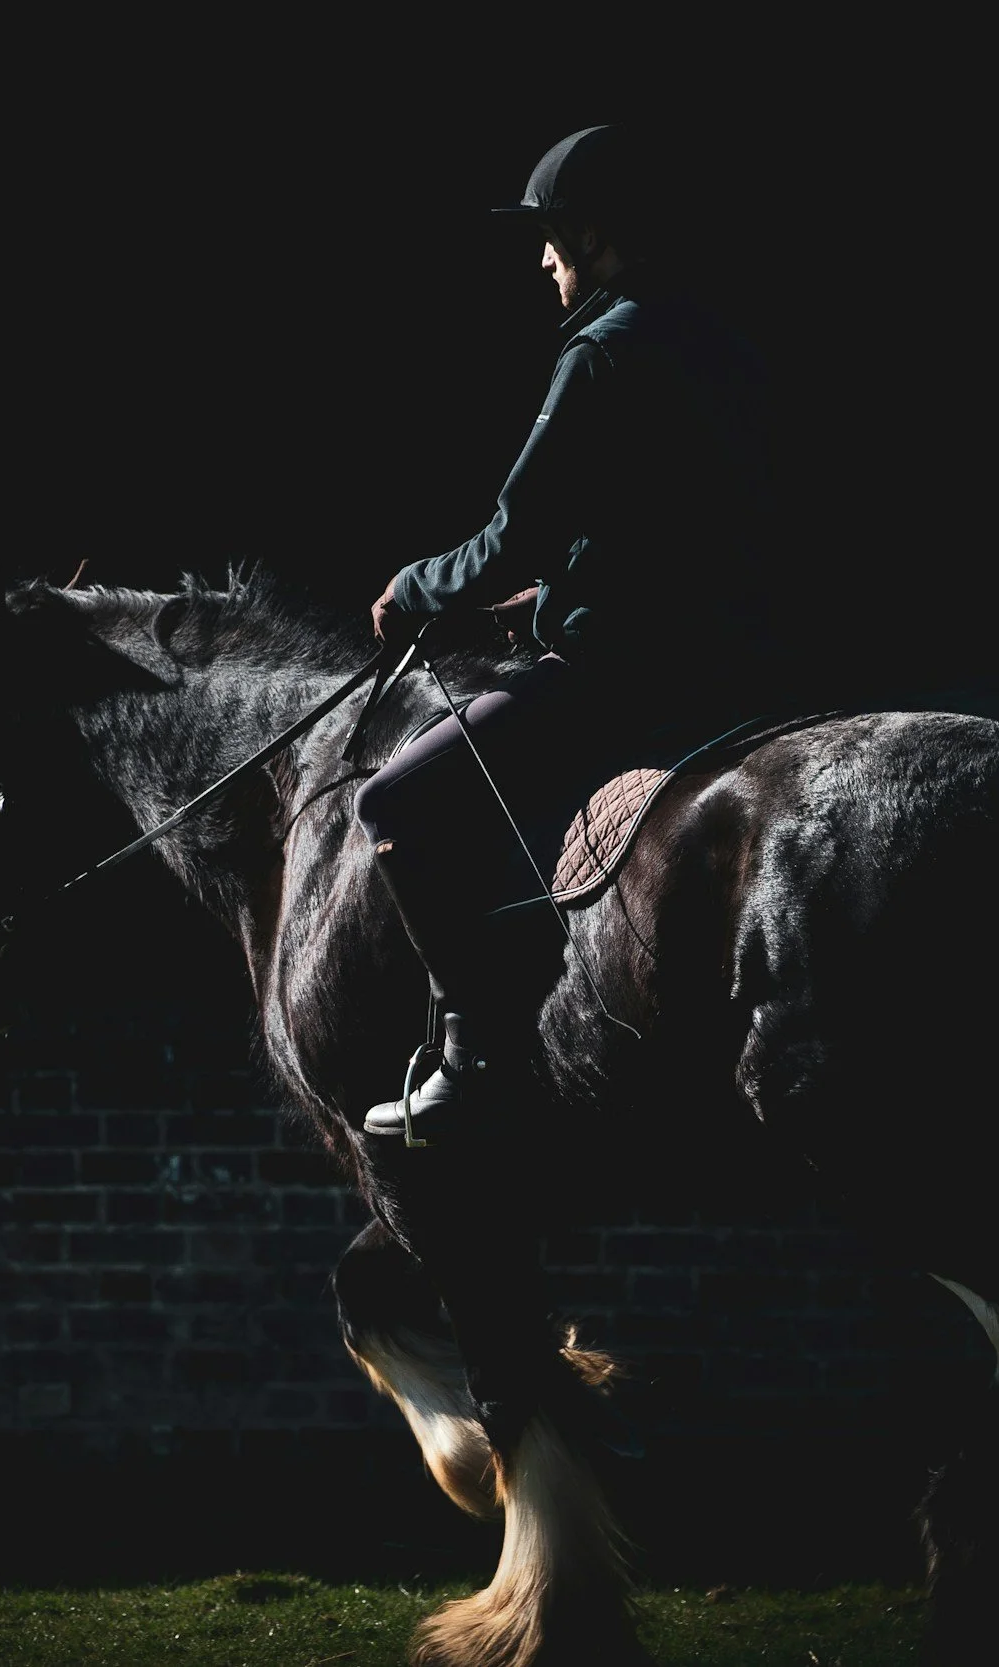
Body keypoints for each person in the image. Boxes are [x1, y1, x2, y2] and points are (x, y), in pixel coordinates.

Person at [357, 124, 770, 1143]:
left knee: (391, 803)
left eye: (550, 235)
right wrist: (546, 596)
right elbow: (664, 520)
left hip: (618, 673)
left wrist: (417, 587)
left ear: (594, 233)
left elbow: (515, 530)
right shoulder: (714, 340)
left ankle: (472, 1054)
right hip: (731, 661)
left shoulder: (604, 350)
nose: (541, 258)